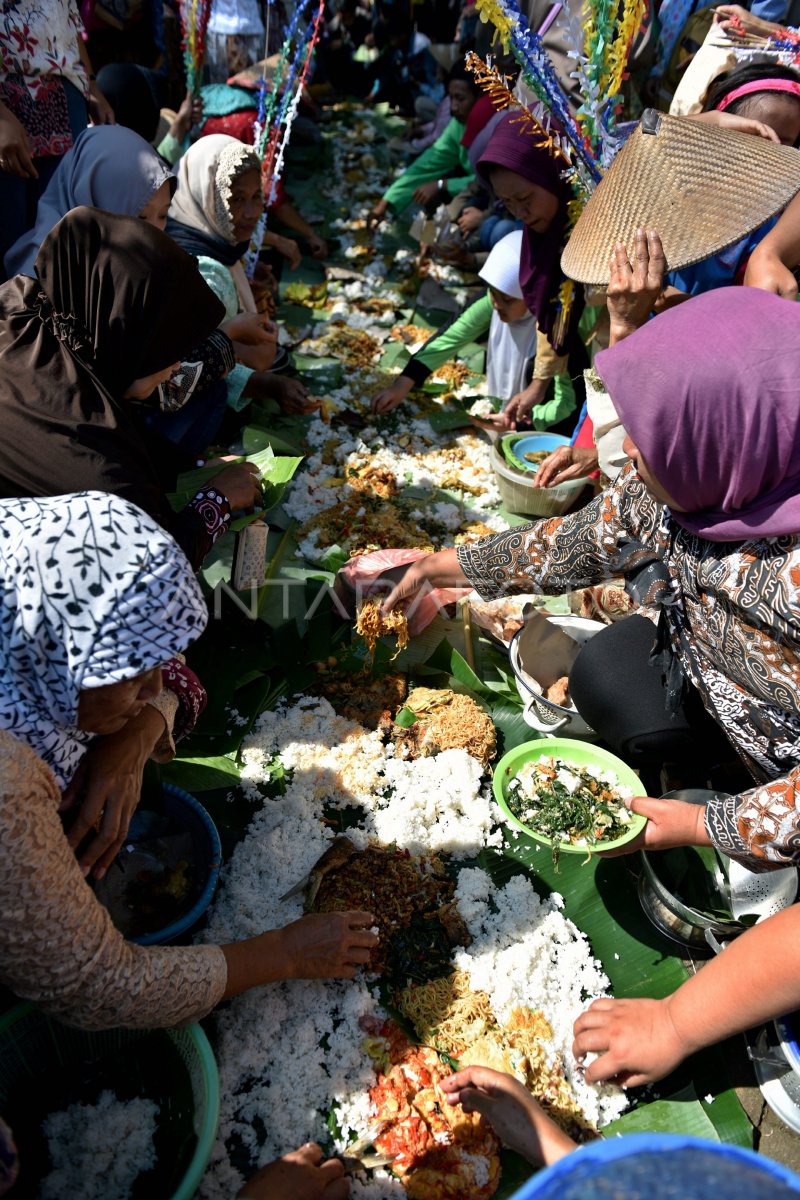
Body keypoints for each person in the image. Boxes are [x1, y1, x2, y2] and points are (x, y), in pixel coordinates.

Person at [376, 284, 800, 1074]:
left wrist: (706, 827)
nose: (631, 461)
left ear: (734, 433)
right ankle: (708, 769)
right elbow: (580, 541)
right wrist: (447, 565)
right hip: (719, 699)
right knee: (607, 667)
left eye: (654, 443)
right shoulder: (699, 484)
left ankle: (724, 805)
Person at [0, 491, 377, 1031]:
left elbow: (169, 673)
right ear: (54, 658)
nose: (156, 684)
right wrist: (286, 953)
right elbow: (101, 985)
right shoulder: (9, 791)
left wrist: (132, 737)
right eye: (130, 674)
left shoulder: (25, 594)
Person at [0, 206, 262, 570]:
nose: (176, 366)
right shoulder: (93, 469)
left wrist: (194, 465)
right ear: (127, 339)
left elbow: (119, 425)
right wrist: (216, 499)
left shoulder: (33, 312)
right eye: (167, 349)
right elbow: (155, 569)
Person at [2, 124, 276, 440]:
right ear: (95, 198)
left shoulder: (123, 269)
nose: (156, 232)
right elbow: (149, 388)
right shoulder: (40, 283)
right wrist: (229, 341)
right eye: (142, 216)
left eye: (163, 216)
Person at [167, 134, 314, 415]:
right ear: (207, 197)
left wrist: (243, 282)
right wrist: (268, 385)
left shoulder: (213, 239)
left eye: (256, 197)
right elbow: (185, 369)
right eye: (235, 199)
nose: (251, 212)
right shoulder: (204, 269)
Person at [371, 229, 575, 430]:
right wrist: (402, 384)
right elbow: (449, 338)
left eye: (507, 299)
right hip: (501, 417)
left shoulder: (557, 328)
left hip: (541, 434)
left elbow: (567, 402)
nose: (496, 304)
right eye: (493, 293)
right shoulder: (494, 299)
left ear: (534, 296)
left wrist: (521, 421)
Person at [470, 109, 585, 429]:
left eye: (524, 197)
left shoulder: (594, 228)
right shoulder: (543, 239)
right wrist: (538, 385)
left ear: (553, 173)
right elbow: (554, 303)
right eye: (508, 203)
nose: (521, 212)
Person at [0, 0, 114, 268]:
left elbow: (68, 19)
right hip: (8, 105)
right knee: (9, 239)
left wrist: (90, 85)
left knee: (62, 241)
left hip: (65, 99)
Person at [367, 62, 487, 226]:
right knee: (428, 195)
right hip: (469, 186)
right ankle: (426, 244)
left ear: (479, 96)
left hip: (491, 197)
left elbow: (485, 182)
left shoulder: (492, 125)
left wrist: (441, 185)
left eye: (460, 99)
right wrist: (386, 201)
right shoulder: (458, 125)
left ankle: (436, 242)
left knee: (449, 211)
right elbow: (428, 163)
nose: (453, 106)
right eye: (451, 98)